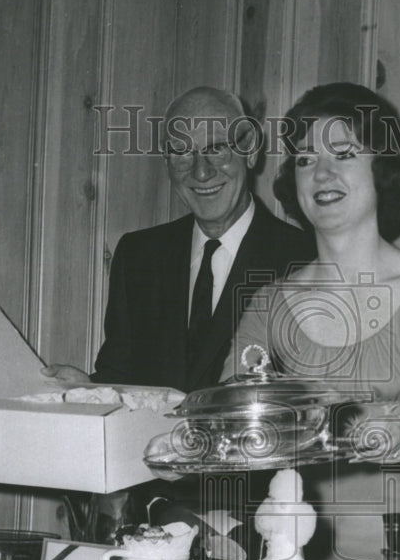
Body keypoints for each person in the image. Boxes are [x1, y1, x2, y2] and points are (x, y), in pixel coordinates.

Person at [220, 82, 400, 560]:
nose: (322, 173)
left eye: (344, 154)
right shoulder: (269, 304)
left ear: (381, 169)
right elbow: (227, 417)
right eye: (305, 159)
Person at [44, 85, 316, 394]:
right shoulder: (138, 256)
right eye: (182, 152)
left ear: (250, 149)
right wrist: (90, 389)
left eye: (216, 148)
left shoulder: (307, 260)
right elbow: (120, 376)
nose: (201, 172)